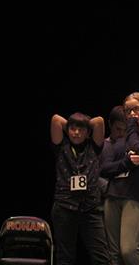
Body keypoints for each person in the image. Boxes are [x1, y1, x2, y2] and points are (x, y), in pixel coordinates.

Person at [100, 92, 139, 265]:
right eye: (128, 111)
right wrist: (126, 163)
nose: (133, 114)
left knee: (129, 251)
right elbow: (104, 168)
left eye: (137, 109)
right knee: (114, 255)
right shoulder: (122, 139)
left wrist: (132, 128)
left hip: (138, 196)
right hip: (114, 195)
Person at [50, 112, 111, 265]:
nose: (76, 133)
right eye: (72, 129)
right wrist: (73, 123)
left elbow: (99, 121)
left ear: (87, 132)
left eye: (81, 130)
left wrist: (85, 124)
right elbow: (56, 120)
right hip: (64, 206)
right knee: (65, 257)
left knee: (101, 256)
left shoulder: (94, 146)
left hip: (90, 207)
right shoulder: (62, 146)